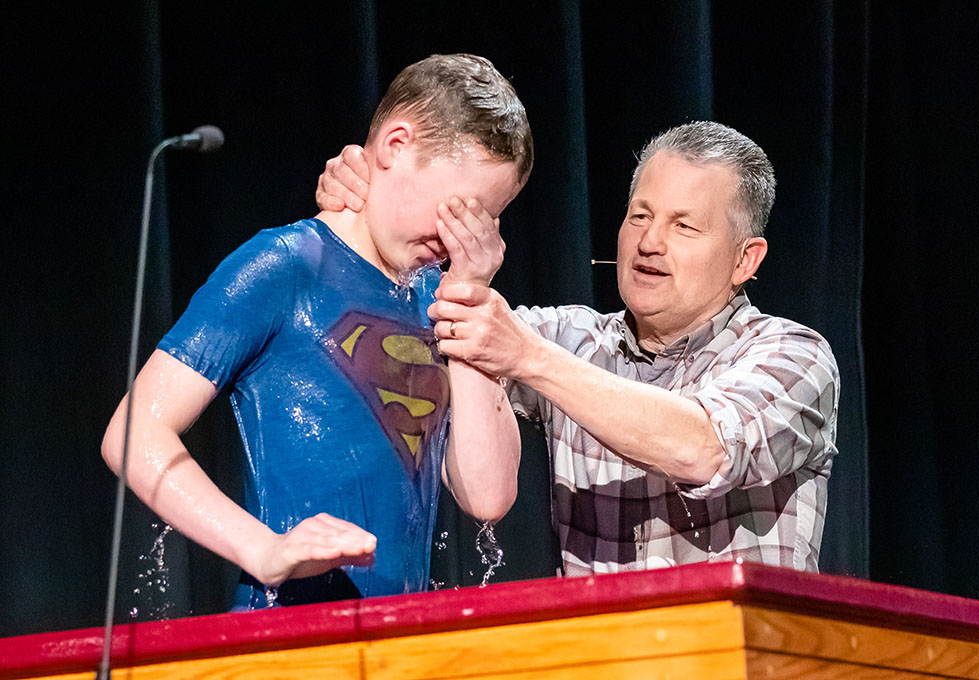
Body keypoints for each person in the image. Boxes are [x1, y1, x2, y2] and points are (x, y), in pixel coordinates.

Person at [101, 53, 531, 609]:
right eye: (458, 211)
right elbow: (133, 432)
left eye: (485, 220)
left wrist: (469, 293)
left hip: (402, 641)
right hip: (286, 638)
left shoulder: (437, 298)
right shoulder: (285, 266)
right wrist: (260, 549)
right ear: (396, 147)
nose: (461, 240)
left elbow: (489, 495)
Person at [316, 121, 839, 575]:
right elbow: (407, 337)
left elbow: (706, 450)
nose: (649, 241)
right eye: (639, 215)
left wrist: (531, 359)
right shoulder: (573, 338)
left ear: (746, 260)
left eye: (683, 225)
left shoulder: (795, 356)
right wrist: (371, 206)